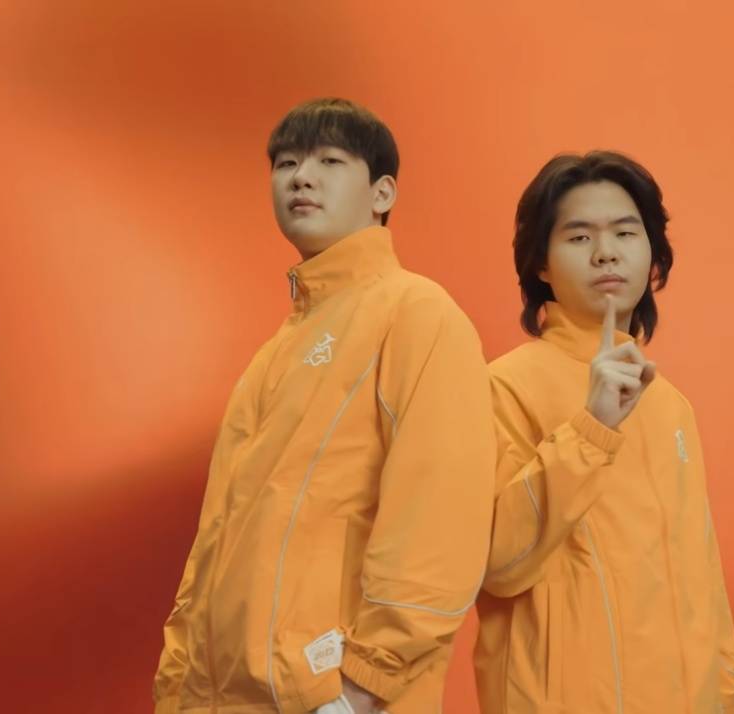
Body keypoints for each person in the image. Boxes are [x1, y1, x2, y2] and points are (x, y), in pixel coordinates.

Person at [153, 98, 494, 714]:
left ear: (382, 193)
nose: (301, 177)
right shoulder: (275, 353)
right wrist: (179, 688)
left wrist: (361, 690)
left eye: (329, 161)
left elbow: (442, 519)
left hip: (335, 698)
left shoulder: (417, 314)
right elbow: (215, 547)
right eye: (286, 163)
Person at [473, 151, 734, 713]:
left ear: (652, 255)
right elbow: (496, 562)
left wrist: (727, 697)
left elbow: (702, 580)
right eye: (579, 237)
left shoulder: (670, 405)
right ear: (540, 263)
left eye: (625, 232)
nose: (606, 252)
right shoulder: (502, 387)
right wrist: (591, 429)